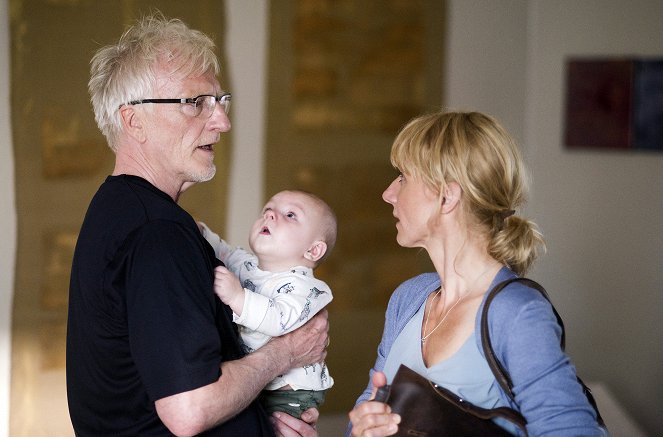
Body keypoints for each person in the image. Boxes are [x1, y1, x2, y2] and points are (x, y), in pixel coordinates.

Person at [66, 13, 326, 436]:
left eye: (220, 102)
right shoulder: (156, 232)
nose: (221, 122)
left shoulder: (119, 208)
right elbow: (189, 409)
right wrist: (286, 353)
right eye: (194, 103)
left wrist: (268, 419)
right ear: (134, 121)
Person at [347, 111, 605, 436]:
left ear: (447, 196)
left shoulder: (517, 312)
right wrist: (363, 427)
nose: (388, 193)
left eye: (403, 178)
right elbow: (361, 415)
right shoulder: (408, 299)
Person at [198, 189, 336, 419]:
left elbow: (278, 320)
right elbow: (221, 250)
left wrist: (238, 298)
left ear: (313, 250)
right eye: (267, 210)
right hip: (254, 381)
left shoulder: (305, 287)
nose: (270, 215)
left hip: (288, 393)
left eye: (290, 215)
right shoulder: (247, 264)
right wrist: (199, 231)